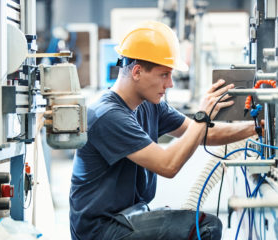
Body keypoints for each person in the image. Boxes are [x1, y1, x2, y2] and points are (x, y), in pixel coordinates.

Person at [70, 21, 257, 240]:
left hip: (128, 216)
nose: (170, 84)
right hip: (101, 229)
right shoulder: (107, 115)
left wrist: (256, 127)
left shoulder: (150, 104)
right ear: (138, 72)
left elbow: (204, 134)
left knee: (193, 224)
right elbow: (168, 165)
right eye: (164, 75)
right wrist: (202, 115)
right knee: (204, 228)